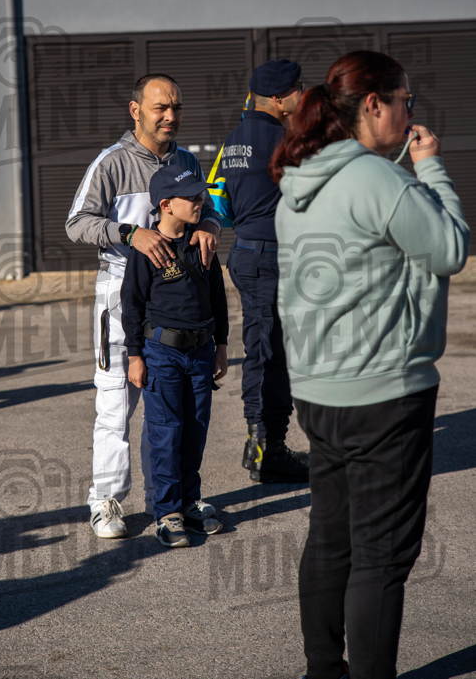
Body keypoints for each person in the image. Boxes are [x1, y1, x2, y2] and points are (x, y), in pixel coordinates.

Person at [270, 51, 470, 679]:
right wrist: (431, 167)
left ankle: (323, 670)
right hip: (384, 389)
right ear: (375, 105)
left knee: (332, 538)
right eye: (406, 99)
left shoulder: (299, 182)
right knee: (381, 555)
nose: (412, 112)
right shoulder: (377, 179)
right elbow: (450, 248)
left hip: (319, 390)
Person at [65, 74, 221, 540]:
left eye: (176, 106)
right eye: (160, 108)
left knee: (177, 411)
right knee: (117, 400)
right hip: (121, 297)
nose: (170, 116)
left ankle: (173, 503)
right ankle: (106, 499)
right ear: (136, 111)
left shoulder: (187, 160)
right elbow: (76, 223)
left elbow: (210, 209)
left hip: (177, 307)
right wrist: (130, 233)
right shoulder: (111, 163)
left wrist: (209, 222)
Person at [122, 165, 229, 548]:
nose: (201, 201)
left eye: (201, 195)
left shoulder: (204, 242)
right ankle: (167, 512)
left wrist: (221, 345)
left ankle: (188, 502)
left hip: (201, 351)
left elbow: (217, 297)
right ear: (166, 205)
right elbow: (131, 306)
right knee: (166, 431)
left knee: (195, 430)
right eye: (193, 197)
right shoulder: (146, 250)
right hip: (161, 353)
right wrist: (135, 356)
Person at [217, 60, 308, 483]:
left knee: (263, 348)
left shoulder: (233, 139)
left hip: (246, 253)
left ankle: (264, 442)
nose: (302, 96)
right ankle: (267, 448)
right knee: (274, 354)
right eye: (298, 90)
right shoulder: (283, 139)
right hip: (273, 257)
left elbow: (221, 207)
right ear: (278, 98)